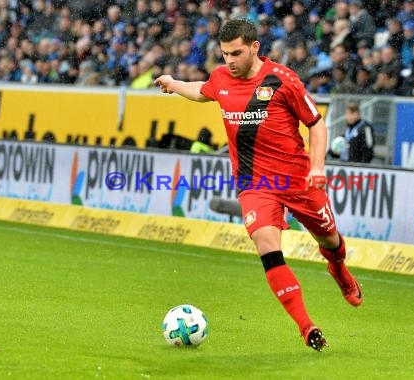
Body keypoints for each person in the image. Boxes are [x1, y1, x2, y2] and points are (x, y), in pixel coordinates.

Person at [154, 19, 362, 352]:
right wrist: (173, 83)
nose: (229, 61)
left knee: (331, 241)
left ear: (254, 48)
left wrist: (318, 167)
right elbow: (203, 90)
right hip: (254, 184)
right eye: (224, 54)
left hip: (297, 180)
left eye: (235, 53)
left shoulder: (283, 80)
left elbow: (317, 124)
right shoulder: (221, 78)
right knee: (267, 246)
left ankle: (338, 268)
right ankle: (306, 327)